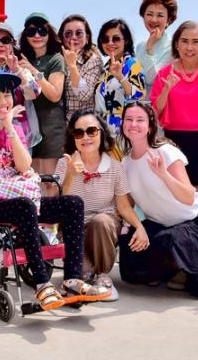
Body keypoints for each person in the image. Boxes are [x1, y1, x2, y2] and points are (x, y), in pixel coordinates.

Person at [0, 67, 110, 309]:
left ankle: (72, 280)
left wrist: (9, 128)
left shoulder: (15, 129)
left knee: (73, 204)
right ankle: (43, 285)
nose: (3, 101)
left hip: (23, 199)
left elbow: (24, 166)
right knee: (25, 206)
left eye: (7, 95)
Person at [118, 102, 198, 299]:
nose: (133, 125)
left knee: (174, 239)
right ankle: (166, 269)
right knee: (129, 249)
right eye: (129, 119)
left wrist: (164, 175)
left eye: (140, 120)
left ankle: (180, 269)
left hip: (194, 222)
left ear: (150, 126)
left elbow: (188, 196)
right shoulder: (125, 164)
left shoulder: (165, 151)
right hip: (160, 224)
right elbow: (127, 205)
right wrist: (136, 228)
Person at [55, 110, 148, 301]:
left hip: (103, 228)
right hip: (74, 229)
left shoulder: (115, 167)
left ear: (101, 133)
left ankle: (104, 276)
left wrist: (140, 227)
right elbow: (59, 205)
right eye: (79, 133)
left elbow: (124, 207)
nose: (86, 137)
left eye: (91, 131)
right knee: (81, 276)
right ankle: (87, 274)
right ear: (73, 137)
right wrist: (70, 175)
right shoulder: (65, 164)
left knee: (101, 221)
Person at [150, 21, 198, 199]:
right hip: (173, 141)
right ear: (176, 44)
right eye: (184, 41)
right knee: (177, 196)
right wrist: (167, 89)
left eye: (195, 41)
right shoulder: (164, 73)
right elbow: (155, 110)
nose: (189, 47)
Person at [17, 13, 67, 181]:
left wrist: (34, 71)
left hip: (50, 125)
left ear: (49, 34)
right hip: (28, 125)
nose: (37, 35)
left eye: (42, 31)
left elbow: (55, 95)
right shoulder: (22, 58)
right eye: (31, 32)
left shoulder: (56, 59)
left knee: (49, 181)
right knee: (31, 180)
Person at [0, 14, 37, 147]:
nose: (0, 44)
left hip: (21, 134)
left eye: (5, 40)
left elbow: (34, 93)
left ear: (12, 45)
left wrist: (16, 70)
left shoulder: (21, 67)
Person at [94, 18, 146, 139]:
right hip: (103, 132)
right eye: (105, 39)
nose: (110, 43)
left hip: (124, 132)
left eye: (116, 39)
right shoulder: (104, 69)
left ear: (126, 41)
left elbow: (140, 97)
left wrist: (120, 77)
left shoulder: (133, 65)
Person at [58, 14, 103, 121]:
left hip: (85, 123)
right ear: (62, 38)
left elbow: (84, 95)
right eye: (68, 34)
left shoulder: (93, 60)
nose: (73, 37)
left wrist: (72, 66)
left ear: (87, 37)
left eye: (79, 33)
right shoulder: (58, 59)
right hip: (62, 124)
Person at [134, 0, 178, 87]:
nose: (154, 20)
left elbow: (151, 79)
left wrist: (149, 48)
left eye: (160, 15)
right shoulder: (140, 46)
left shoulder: (173, 47)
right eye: (149, 14)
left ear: (169, 19)